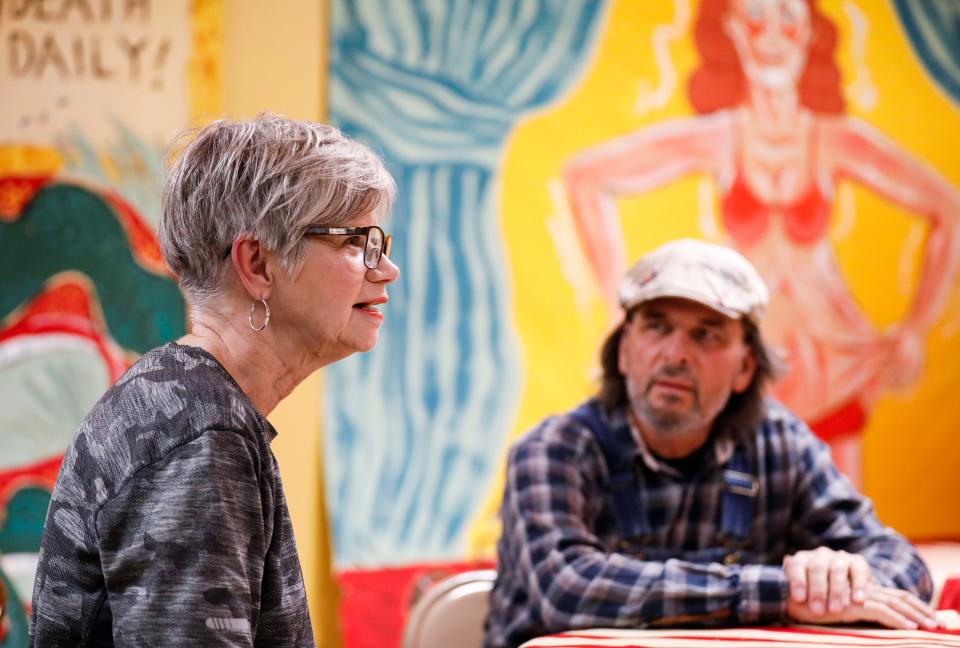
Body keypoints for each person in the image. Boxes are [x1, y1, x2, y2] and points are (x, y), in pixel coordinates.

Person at [29, 114, 400, 647]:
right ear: (257, 263)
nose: (386, 268)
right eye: (355, 242)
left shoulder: (188, 405)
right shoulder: (199, 439)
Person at [564, 0, 960, 486]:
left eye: (788, 20)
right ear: (730, 31)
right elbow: (586, 178)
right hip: (742, 371)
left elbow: (948, 207)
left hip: (829, 365)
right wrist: (619, 307)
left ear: (810, 35)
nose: (770, 36)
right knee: (734, 519)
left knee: (846, 534)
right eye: (755, 19)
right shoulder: (719, 138)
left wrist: (915, 328)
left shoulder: (833, 140)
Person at [484, 238, 935, 648]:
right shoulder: (554, 449)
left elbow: (904, 567)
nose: (676, 354)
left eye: (706, 334)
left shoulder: (779, 446)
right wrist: (783, 590)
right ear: (624, 350)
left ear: (745, 368)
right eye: (657, 327)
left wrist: (837, 580)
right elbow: (568, 589)